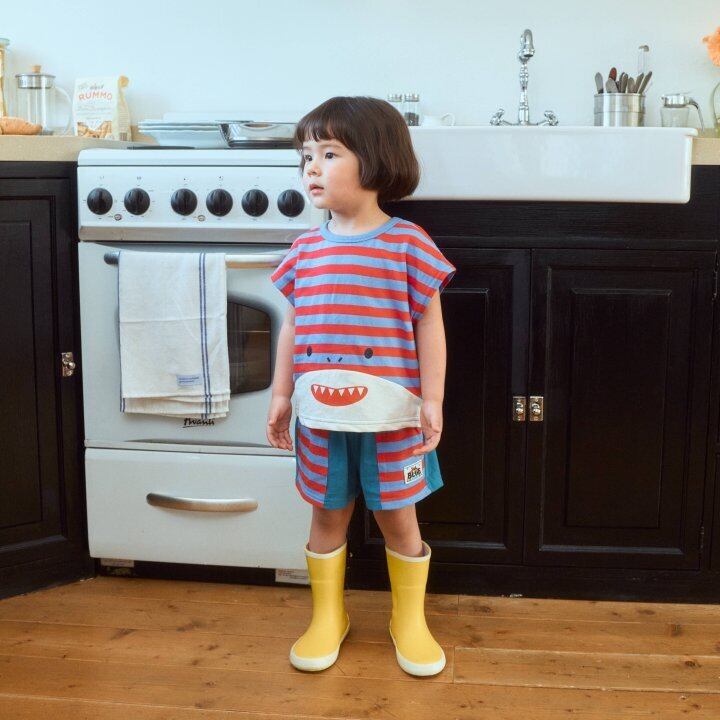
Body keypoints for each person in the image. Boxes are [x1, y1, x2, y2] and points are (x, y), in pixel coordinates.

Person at [266, 96, 456, 677]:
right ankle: (328, 616)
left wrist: (432, 400)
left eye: (329, 154)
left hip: (393, 417)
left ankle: (409, 620)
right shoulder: (305, 250)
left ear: (375, 160)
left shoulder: (409, 245)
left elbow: (430, 326)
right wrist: (280, 394)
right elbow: (292, 326)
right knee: (327, 513)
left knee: (399, 516)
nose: (312, 168)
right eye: (307, 156)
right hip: (320, 416)